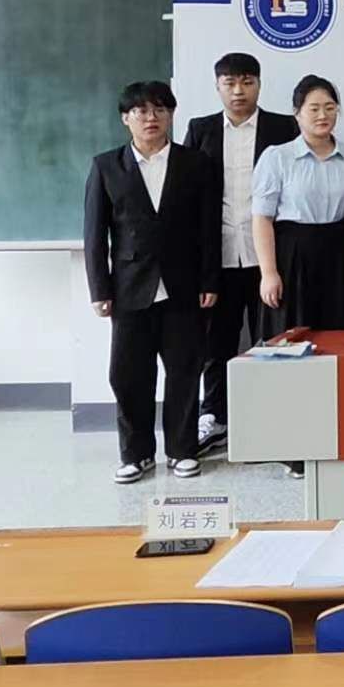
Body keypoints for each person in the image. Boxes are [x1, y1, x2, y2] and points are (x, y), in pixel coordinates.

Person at [84, 81, 220, 483]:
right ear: (126, 118)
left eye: (160, 109)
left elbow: (208, 229)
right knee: (127, 375)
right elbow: (95, 234)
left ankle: (182, 450)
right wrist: (100, 289)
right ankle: (136, 453)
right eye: (141, 111)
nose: (151, 118)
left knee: (184, 370)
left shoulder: (195, 164)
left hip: (184, 286)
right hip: (129, 289)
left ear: (171, 115)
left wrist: (209, 280)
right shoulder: (106, 166)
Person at [181, 51, 298, 456]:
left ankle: (271, 418)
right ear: (217, 87)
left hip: (270, 258)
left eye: (247, 82)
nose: (238, 91)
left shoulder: (283, 128)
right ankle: (214, 416)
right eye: (229, 83)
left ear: (259, 85)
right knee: (217, 342)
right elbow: (188, 195)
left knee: (273, 341)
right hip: (219, 257)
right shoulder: (200, 129)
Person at [252, 75, 344, 342]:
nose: (323, 115)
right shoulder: (277, 157)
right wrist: (268, 273)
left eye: (330, 107)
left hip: (338, 254)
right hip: (292, 255)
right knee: (292, 337)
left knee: (340, 335)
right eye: (314, 108)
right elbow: (261, 219)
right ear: (297, 113)